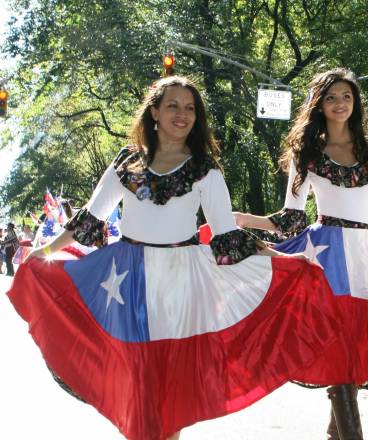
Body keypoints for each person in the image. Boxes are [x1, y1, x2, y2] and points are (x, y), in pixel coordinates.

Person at [8, 76, 341, 440]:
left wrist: (284, 260)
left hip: (180, 284)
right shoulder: (127, 163)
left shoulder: (206, 169)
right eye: (172, 106)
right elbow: (90, 220)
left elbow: (226, 236)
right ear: (153, 112)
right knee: (139, 384)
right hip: (128, 281)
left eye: (190, 108)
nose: (182, 114)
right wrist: (44, 252)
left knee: (169, 389)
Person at [233, 68, 368, 440]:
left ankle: (336, 434)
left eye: (346, 97)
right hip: (324, 255)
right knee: (339, 350)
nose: (340, 103)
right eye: (332, 97)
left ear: (355, 103)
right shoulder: (306, 152)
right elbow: (291, 217)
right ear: (320, 104)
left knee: (353, 349)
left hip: (367, 254)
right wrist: (244, 219)